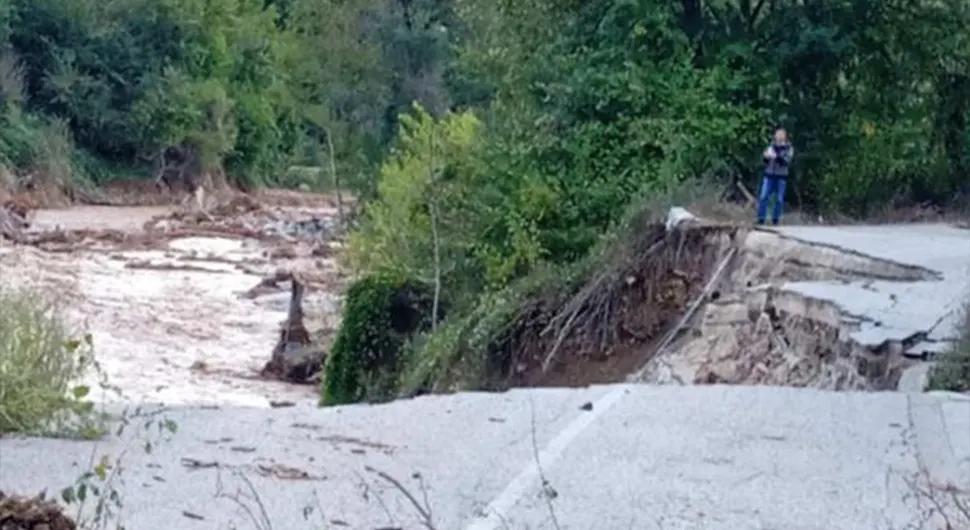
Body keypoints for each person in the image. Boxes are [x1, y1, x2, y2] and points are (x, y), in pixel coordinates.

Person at [756, 127, 794, 226]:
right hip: (769, 175)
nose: (779, 138)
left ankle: (775, 219)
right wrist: (766, 157)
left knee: (779, 199)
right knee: (763, 196)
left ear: (785, 137)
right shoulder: (771, 147)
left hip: (781, 176)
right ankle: (761, 219)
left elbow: (786, 162)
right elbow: (765, 160)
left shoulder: (789, 148)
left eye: (781, 136)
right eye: (777, 135)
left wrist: (776, 157)